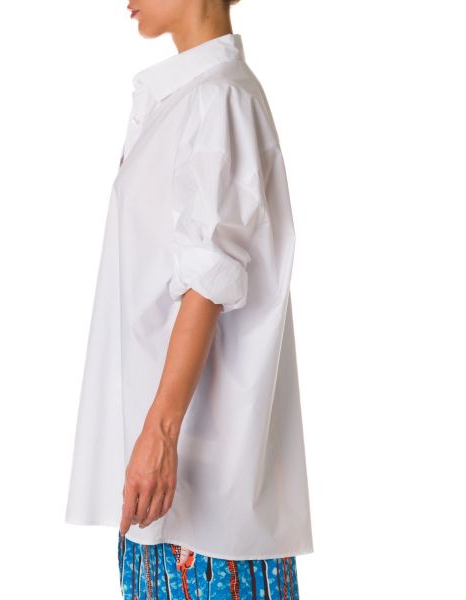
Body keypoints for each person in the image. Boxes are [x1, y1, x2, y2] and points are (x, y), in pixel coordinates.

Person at [65, 1, 314, 597]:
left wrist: (161, 434)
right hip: (167, 489)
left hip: (200, 501)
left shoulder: (218, 98)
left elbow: (209, 277)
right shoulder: (187, 97)